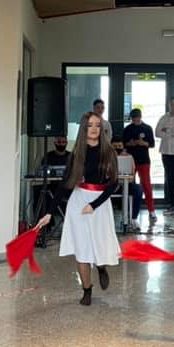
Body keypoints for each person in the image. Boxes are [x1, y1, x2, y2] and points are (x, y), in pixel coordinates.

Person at [36, 112, 120, 306]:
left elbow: (113, 184)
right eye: (90, 125)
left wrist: (94, 205)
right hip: (78, 202)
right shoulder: (77, 153)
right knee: (82, 248)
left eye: (97, 125)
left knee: (99, 244)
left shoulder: (108, 152)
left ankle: (101, 267)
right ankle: (87, 290)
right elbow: (65, 183)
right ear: (84, 128)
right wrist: (49, 212)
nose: (94, 129)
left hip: (99, 203)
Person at [121, 108, 156, 229]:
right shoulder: (127, 129)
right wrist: (131, 143)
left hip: (143, 160)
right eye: (134, 118)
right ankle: (129, 210)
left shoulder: (147, 128)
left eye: (137, 117)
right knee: (129, 185)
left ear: (141, 117)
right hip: (130, 160)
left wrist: (142, 143)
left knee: (146, 185)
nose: (136, 119)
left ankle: (151, 210)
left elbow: (152, 144)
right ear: (131, 118)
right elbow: (123, 144)